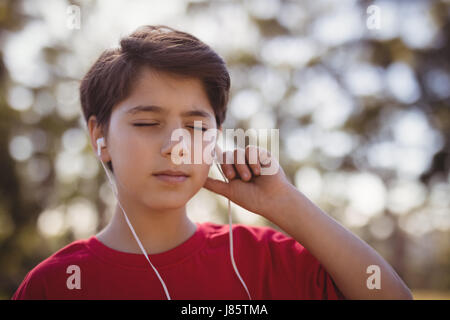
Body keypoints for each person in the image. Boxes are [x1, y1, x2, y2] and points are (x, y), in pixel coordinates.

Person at [12, 25, 412, 300]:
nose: (175, 145)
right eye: (148, 122)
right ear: (100, 137)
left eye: (197, 126)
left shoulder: (264, 261)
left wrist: (286, 205)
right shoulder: (56, 283)